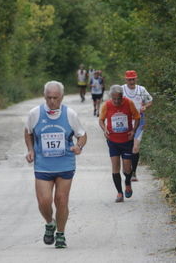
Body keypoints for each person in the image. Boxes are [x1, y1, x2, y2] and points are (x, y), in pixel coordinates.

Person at [25, 81, 87, 248]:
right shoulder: (35, 113)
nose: (52, 101)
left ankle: (60, 233)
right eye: (49, 97)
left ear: (62, 97)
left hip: (65, 164)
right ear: (44, 96)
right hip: (43, 165)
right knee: (44, 201)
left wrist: (78, 146)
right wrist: (30, 149)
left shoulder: (70, 114)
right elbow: (28, 132)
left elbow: (82, 134)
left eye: (56, 98)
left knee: (61, 200)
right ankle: (49, 223)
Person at [99, 85, 140, 202]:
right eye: (114, 99)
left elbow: (137, 117)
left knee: (127, 168)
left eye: (119, 98)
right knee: (115, 167)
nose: (117, 101)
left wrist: (133, 130)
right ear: (111, 97)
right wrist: (105, 129)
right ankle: (119, 193)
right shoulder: (106, 105)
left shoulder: (129, 103)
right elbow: (101, 120)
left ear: (123, 96)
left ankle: (127, 182)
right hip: (113, 141)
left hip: (127, 140)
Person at [121, 70, 153, 181]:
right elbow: (114, 102)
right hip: (124, 122)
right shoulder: (121, 89)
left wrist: (145, 107)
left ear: (136, 79)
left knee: (135, 147)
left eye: (133, 79)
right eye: (129, 79)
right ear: (126, 79)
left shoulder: (141, 89)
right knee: (126, 147)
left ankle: (133, 173)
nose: (131, 81)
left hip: (139, 121)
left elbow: (150, 101)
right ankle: (126, 168)